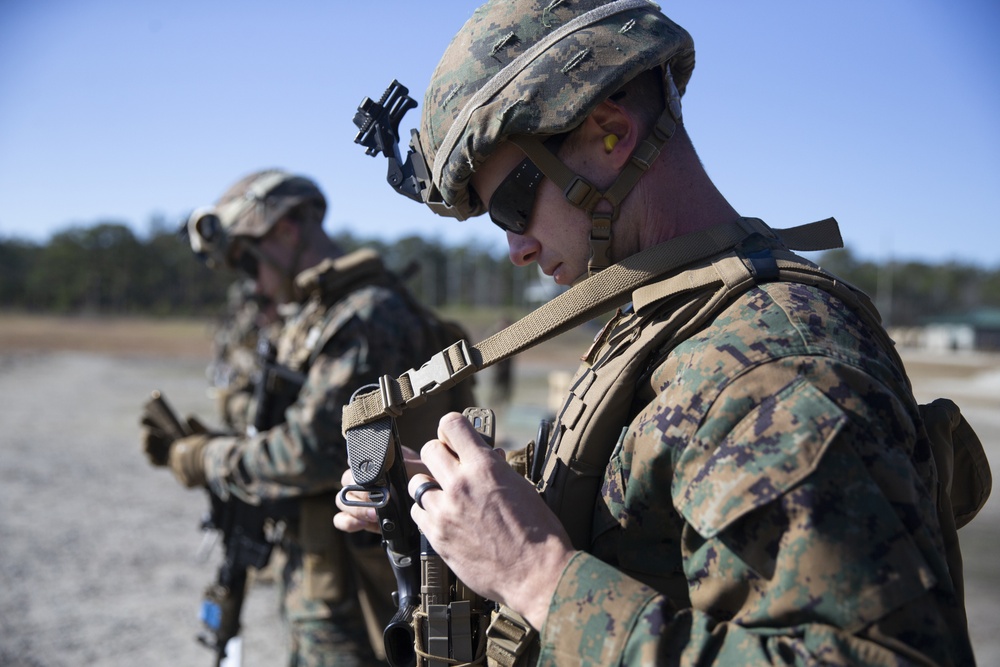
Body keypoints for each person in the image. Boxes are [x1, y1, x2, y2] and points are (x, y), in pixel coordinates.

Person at [335, 2, 989, 665]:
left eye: (512, 205)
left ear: (610, 133)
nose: (516, 250)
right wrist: (471, 508)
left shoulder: (775, 358)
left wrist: (536, 576)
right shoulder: (667, 321)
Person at [142, 169, 474, 666]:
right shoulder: (318, 317)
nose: (251, 281)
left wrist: (206, 458)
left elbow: (314, 451)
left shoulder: (364, 317)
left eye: (249, 261)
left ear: (285, 230)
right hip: (327, 572)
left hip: (368, 586)